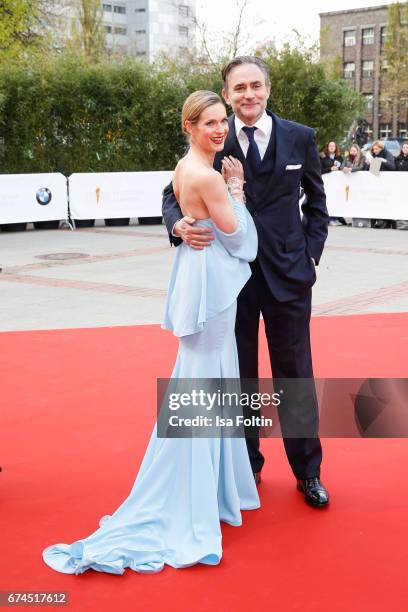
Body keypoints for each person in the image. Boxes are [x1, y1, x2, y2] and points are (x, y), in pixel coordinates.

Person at [42, 91, 260, 575]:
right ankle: (191, 497)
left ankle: (212, 490)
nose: (219, 129)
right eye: (209, 123)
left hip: (200, 278)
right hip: (213, 288)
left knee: (204, 382)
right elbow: (243, 242)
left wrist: (195, 218)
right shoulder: (207, 174)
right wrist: (238, 192)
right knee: (205, 385)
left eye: (222, 121)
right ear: (189, 125)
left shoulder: (185, 167)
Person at [163, 56, 330, 508]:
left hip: (290, 277)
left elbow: (317, 203)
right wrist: (178, 225)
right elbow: (172, 192)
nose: (248, 94)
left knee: (294, 375)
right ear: (228, 93)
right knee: (238, 378)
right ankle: (246, 468)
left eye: (255, 85)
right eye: (239, 88)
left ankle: (307, 471)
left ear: (268, 89)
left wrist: (310, 256)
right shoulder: (213, 135)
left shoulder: (300, 137)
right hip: (228, 280)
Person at [365, 141, 396, 228]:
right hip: (376, 182)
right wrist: (368, 165)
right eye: (373, 149)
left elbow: (393, 167)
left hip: (386, 183)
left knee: (385, 202)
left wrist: (384, 161)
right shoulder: (374, 155)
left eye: (376, 149)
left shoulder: (388, 154)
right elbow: (372, 170)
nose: (374, 151)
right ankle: (376, 221)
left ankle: (385, 222)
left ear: (381, 148)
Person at [320, 141, 346, 226]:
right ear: (327, 147)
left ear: (336, 147)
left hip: (337, 184)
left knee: (336, 200)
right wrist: (330, 169)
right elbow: (320, 170)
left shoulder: (339, 158)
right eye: (330, 146)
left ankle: (336, 217)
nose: (331, 147)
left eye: (333, 146)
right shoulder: (322, 157)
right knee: (328, 200)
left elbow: (342, 167)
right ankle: (329, 219)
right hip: (327, 183)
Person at [395, 142, 408, 230]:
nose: (405, 149)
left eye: (407, 147)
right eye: (404, 147)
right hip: (400, 185)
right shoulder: (398, 159)